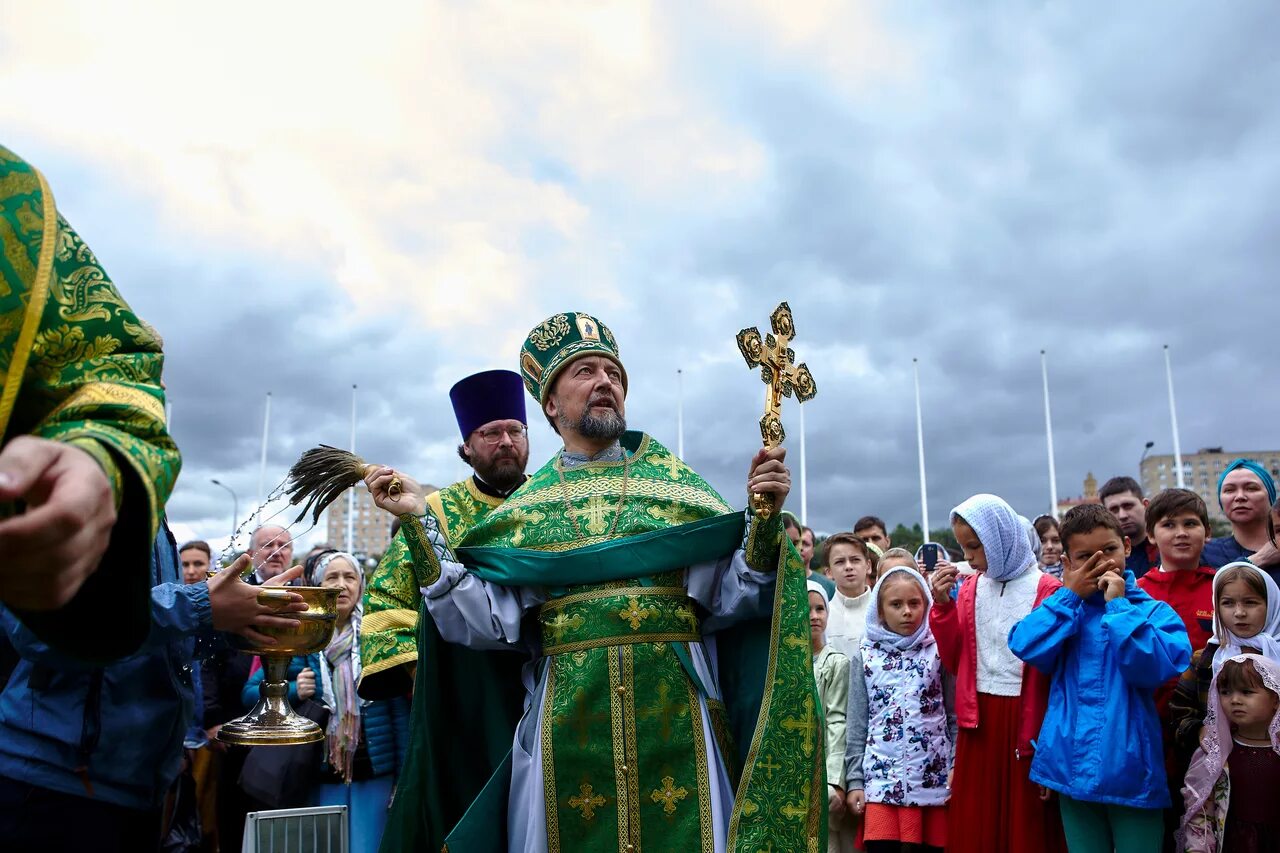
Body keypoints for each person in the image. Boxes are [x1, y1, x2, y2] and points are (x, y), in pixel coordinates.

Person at [365, 311, 822, 851]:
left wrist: (762, 524)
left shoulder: (677, 489)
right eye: (585, 371)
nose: (605, 381)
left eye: (613, 372)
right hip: (565, 726)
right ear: (551, 405)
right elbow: (485, 622)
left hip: (680, 720)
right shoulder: (526, 511)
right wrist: (419, 522)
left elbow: (733, 598)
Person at [0, 521, 306, 853]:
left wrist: (234, 622)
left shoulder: (154, 513)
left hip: (138, 787)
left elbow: (157, 643)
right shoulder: (79, 477)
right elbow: (40, 628)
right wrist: (198, 605)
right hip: (56, 783)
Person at [0, 146, 181, 662]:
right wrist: (206, 607)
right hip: (48, 730)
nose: (155, 396)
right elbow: (24, 636)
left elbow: (97, 371)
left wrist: (96, 457)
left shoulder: (12, 196)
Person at [360, 369, 532, 853]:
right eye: (490, 433)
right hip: (462, 699)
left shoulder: (553, 500)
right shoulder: (433, 509)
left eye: (513, 430)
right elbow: (385, 600)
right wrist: (420, 673)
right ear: (466, 448)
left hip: (549, 680)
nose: (504, 442)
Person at [1009, 503, 1191, 853]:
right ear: (1067, 563)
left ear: (1126, 546)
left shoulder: (1153, 611)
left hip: (1132, 772)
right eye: (1085, 556)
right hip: (1069, 768)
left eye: (1108, 550)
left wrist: (1119, 607)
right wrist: (1069, 595)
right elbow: (1025, 645)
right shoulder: (1064, 609)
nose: (1101, 562)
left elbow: (1152, 667)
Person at [243, 551, 412, 853]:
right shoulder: (298, 636)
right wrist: (293, 689)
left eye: (350, 577)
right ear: (317, 585)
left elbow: (396, 712)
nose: (341, 584)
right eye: (332, 577)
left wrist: (403, 776)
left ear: (361, 586)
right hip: (317, 775)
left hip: (373, 774)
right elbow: (249, 694)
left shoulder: (378, 639)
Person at [928, 493, 1065, 853]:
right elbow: (958, 662)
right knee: (977, 822)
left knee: (1028, 825)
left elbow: (1057, 671)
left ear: (1000, 539)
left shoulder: (1049, 590)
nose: (969, 558)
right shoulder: (971, 588)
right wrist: (942, 607)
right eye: (963, 548)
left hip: (1029, 723)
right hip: (980, 723)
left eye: (975, 547)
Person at [846, 566, 955, 853]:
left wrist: (955, 765)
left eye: (914, 603)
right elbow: (857, 723)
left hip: (933, 781)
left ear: (926, 604)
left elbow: (953, 717)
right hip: (881, 782)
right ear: (880, 611)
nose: (907, 611)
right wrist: (855, 780)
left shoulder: (938, 649)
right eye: (896, 604)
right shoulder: (866, 655)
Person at [1168, 562, 1280, 767]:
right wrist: (1198, 731)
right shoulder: (1206, 660)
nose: (1239, 613)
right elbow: (1179, 710)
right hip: (1222, 769)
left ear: (1272, 603)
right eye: (1228, 603)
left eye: (1250, 602)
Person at [1178, 654, 1280, 852]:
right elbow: (1200, 812)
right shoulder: (1215, 753)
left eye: (1246, 692)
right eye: (1225, 692)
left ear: (1275, 699)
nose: (1235, 700)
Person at [1137, 489, 1217, 660]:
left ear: (1207, 533)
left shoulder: (1222, 587)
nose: (1181, 533)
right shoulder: (1137, 592)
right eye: (1169, 525)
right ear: (1151, 535)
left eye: (1190, 523)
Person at [808, 580, 850, 853]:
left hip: (822, 769)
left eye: (820, 609)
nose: (813, 616)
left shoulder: (836, 662)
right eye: (806, 609)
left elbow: (838, 721)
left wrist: (834, 780)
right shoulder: (781, 663)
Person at [1202, 459, 1280, 577]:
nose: (1239, 497)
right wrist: (1258, 559)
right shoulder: (1204, 552)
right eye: (1229, 490)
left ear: (1271, 497)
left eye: (1251, 488)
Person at [822, 532, 877, 653]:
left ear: (868, 566)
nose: (848, 567)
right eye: (840, 562)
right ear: (829, 572)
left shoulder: (883, 612)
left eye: (855, 560)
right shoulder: (823, 617)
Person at [1101, 476, 1159, 578]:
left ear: (1146, 505)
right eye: (1114, 509)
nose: (1122, 515)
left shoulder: (1169, 548)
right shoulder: (1103, 559)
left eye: (1128, 506)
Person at [787, 511, 834, 597]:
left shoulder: (829, 586)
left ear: (813, 551)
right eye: (795, 543)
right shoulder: (774, 584)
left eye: (805, 543)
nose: (800, 548)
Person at [1033, 514, 1064, 579]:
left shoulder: (1074, 573)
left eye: (1056, 540)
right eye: (1042, 541)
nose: (1049, 546)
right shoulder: (1025, 578)